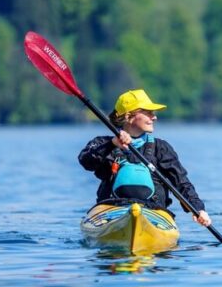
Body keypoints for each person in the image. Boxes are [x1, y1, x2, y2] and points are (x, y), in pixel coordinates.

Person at [78, 89, 212, 228]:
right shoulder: (104, 143)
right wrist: (112, 144)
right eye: (148, 113)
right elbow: (85, 161)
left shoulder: (161, 148)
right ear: (129, 116)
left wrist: (198, 209)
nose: (154, 117)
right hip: (110, 212)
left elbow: (181, 183)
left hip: (155, 213)